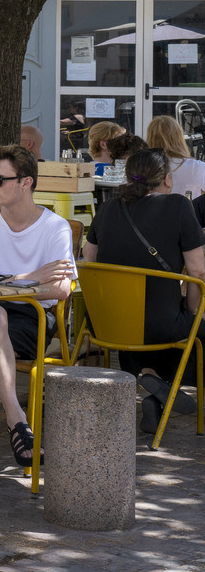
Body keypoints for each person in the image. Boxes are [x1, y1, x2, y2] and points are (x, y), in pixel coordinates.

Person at [0, 145, 77, 484]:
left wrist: (3, 280)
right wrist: (30, 278)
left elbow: (60, 290)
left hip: (31, 315)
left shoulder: (55, 227)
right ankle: (17, 419)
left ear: (26, 182)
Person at [83, 147, 203, 433]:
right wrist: (193, 310)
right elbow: (198, 271)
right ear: (166, 179)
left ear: (128, 178)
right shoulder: (178, 206)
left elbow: (89, 261)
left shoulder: (107, 208)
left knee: (141, 322)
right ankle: (166, 387)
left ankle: (151, 382)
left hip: (106, 323)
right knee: (191, 326)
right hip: (159, 326)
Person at [145, 114, 205, 198]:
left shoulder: (143, 168)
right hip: (189, 205)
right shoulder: (196, 167)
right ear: (179, 137)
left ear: (149, 138)